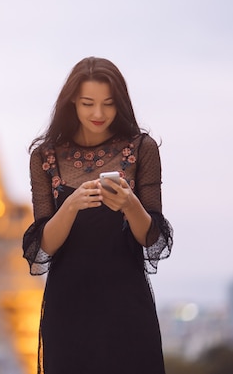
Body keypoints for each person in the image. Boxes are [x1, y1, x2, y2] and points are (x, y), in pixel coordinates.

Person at [23, 56, 173, 373]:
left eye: (108, 104)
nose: (98, 114)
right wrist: (72, 204)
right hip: (68, 308)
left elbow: (154, 241)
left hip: (126, 306)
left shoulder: (142, 149)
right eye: (88, 103)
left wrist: (131, 205)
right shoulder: (45, 156)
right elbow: (41, 248)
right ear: (72, 102)